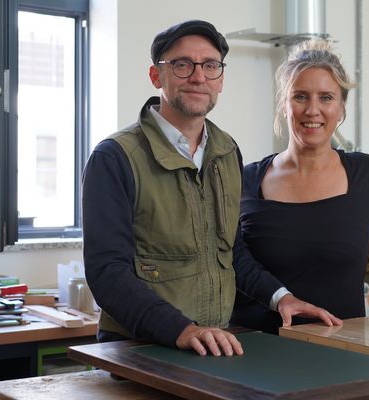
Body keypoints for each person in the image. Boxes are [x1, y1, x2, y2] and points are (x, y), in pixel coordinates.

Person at [81, 20, 341, 357]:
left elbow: (231, 252)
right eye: (182, 64)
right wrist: (182, 330)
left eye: (210, 65)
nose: (199, 76)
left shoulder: (226, 152)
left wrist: (282, 298)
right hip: (138, 349)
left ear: (220, 79)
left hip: (211, 345)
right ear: (156, 76)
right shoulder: (115, 157)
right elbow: (107, 274)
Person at [231, 39, 369, 334]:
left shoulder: (364, 173)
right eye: (300, 96)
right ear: (284, 105)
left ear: (341, 107)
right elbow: (231, 264)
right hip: (260, 348)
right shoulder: (246, 180)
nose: (312, 110)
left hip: (344, 350)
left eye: (326, 97)